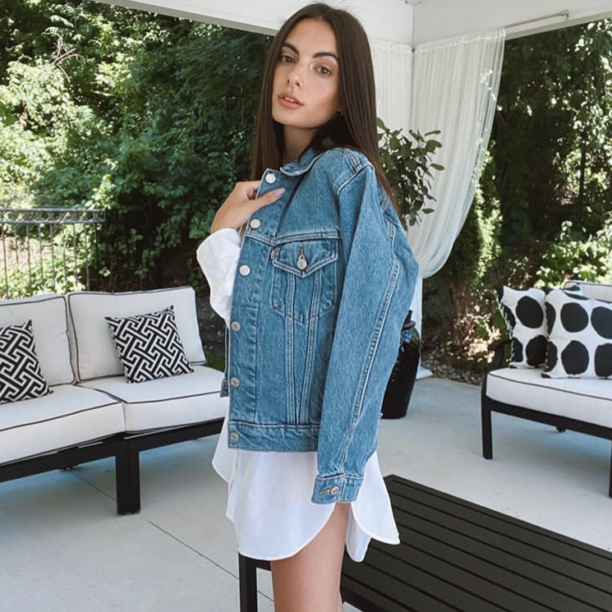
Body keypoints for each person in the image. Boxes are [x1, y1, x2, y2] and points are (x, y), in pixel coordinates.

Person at [197, 3, 419, 611]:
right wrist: (228, 230)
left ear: (346, 95)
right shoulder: (278, 189)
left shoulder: (342, 174)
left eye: (323, 69)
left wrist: (341, 454)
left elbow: (384, 302)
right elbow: (260, 325)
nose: (296, 78)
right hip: (275, 434)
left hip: (306, 449)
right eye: (290, 60)